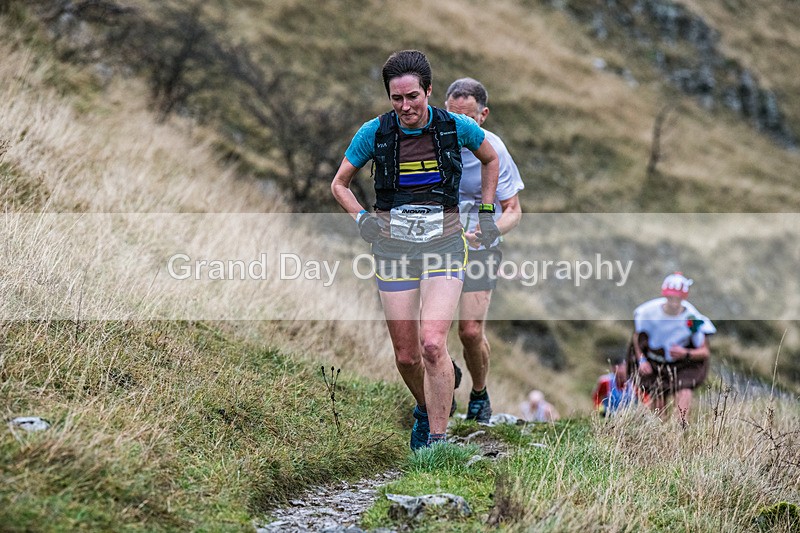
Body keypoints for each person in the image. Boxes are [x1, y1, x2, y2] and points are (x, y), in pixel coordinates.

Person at [330, 50, 500, 450]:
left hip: (445, 245)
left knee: (433, 344)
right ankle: (427, 407)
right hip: (393, 251)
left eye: (413, 97)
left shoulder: (456, 127)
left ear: (428, 91)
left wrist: (487, 211)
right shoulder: (374, 132)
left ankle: (437, 443)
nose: (405, 106)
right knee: (407, 357)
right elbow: (339, 184)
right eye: (396, 98)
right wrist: (361, 218)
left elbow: (490, 159)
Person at [444, 78, 524, 423]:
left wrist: (490, 229)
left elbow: (514, 210)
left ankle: (479, 393)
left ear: (483, 115)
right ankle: (442, 375)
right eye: (452, 116)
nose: (459, 125)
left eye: (467, 118)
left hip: (480, 245)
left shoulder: (495, 150)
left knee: (470, 331)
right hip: (438, 242)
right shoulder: (433, 142)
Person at [629, 272, 716, 421]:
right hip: (655, 363)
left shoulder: (692, 319)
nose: (674, 302)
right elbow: (637, 337)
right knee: (658, 412)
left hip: (681, 366)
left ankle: (680, 429)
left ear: (684, 298)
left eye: (678, 298)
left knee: (684, 395)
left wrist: (685, 353)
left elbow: (704, 351)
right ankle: (660, 432)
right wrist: (642, 360)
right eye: (671, 298)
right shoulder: (648, 312)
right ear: (665, 295)